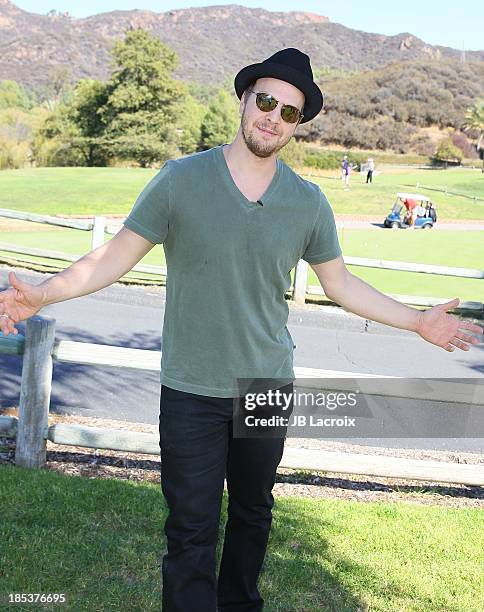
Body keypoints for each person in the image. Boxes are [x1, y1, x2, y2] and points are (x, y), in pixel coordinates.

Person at [0, 48, 482, 612]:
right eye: (267, 101)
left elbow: (342, 284)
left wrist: (415, 321)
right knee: (191, 527)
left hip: (266, 387)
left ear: (297, 126)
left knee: (253, 514)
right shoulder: (181, 180)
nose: (274, 117)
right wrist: (44, 292)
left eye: (290, 112)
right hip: (191, 388)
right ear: (245, 98)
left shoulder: (307, 202)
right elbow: (112, 258)